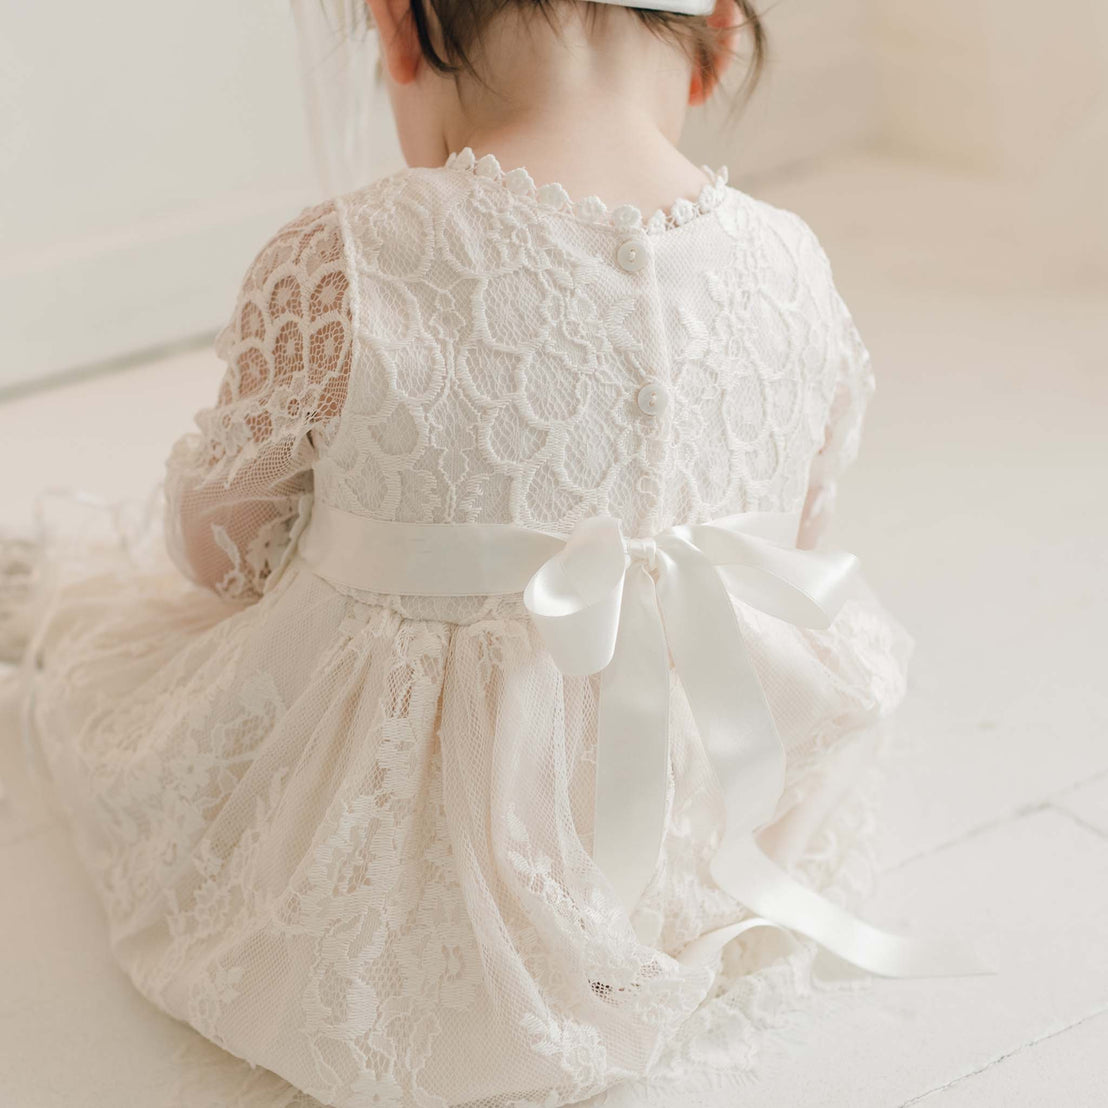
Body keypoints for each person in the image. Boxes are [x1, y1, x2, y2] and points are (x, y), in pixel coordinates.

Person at [1, 1, 983, 1104]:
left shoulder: (349, 259)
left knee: (150, 686)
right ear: (718, 44)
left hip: (402, 881)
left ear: (399, 35)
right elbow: (801, 548)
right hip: (705, 815)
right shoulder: (791, 262)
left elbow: (217, 552)